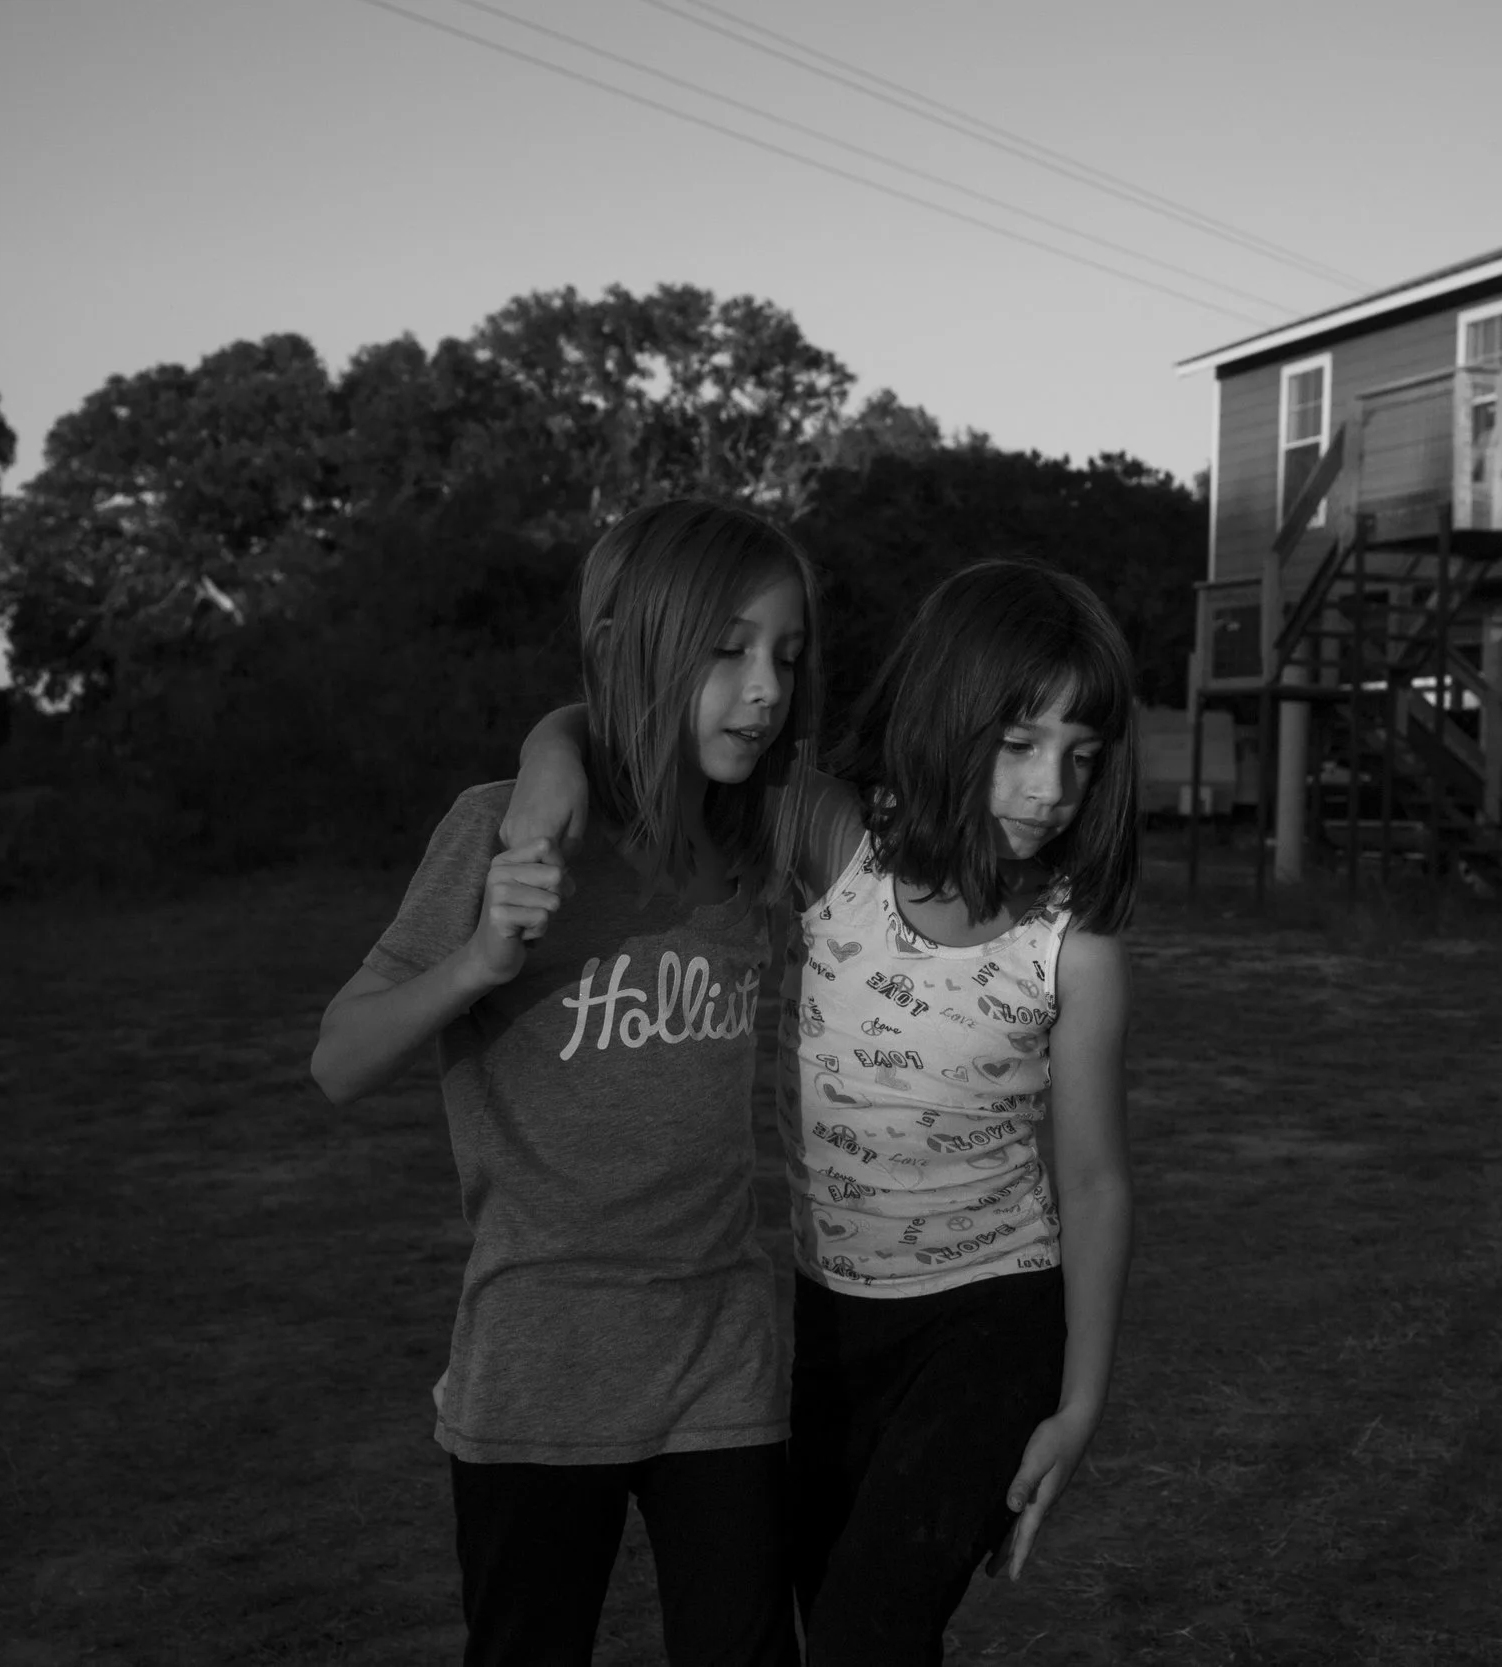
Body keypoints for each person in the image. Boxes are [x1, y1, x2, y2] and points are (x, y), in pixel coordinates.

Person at [506, 560, 1136, 1665]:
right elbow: (635, 723)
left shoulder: (1072, 945)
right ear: (948, 716)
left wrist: (1078, 1406)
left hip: (993, 1322)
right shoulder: (836, 844)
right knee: (828, 1625)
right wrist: (544, 758)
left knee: (863, 1638)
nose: (1051, 788)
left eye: (1080, 758)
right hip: (825, 1328)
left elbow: (1092, 1182)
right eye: (1019, 744)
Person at [310, 499, 817, 1667]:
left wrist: (559, 732)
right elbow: (339, 1059)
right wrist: (480, 960)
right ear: (639, 647)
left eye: (786, 657)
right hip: (537, 1367)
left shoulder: (755, 843)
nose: (765, 689)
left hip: (720, 1354)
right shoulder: (505, 831)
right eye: (728, 650)